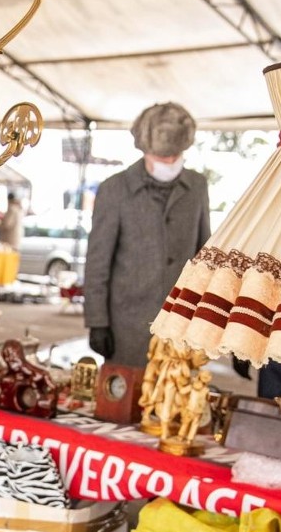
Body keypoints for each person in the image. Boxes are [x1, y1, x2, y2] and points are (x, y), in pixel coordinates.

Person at [84, 102, 211, 369]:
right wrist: (97, 322)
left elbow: (204, 256)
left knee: (175, 400)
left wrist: (208, 320)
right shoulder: (115, 189)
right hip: (127, 325)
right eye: (162, 158)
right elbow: (98, 263)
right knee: (125, 399)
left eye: (175, 157)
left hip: (180, 324)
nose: (169, 163)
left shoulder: (197, 186)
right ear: (145, 150)